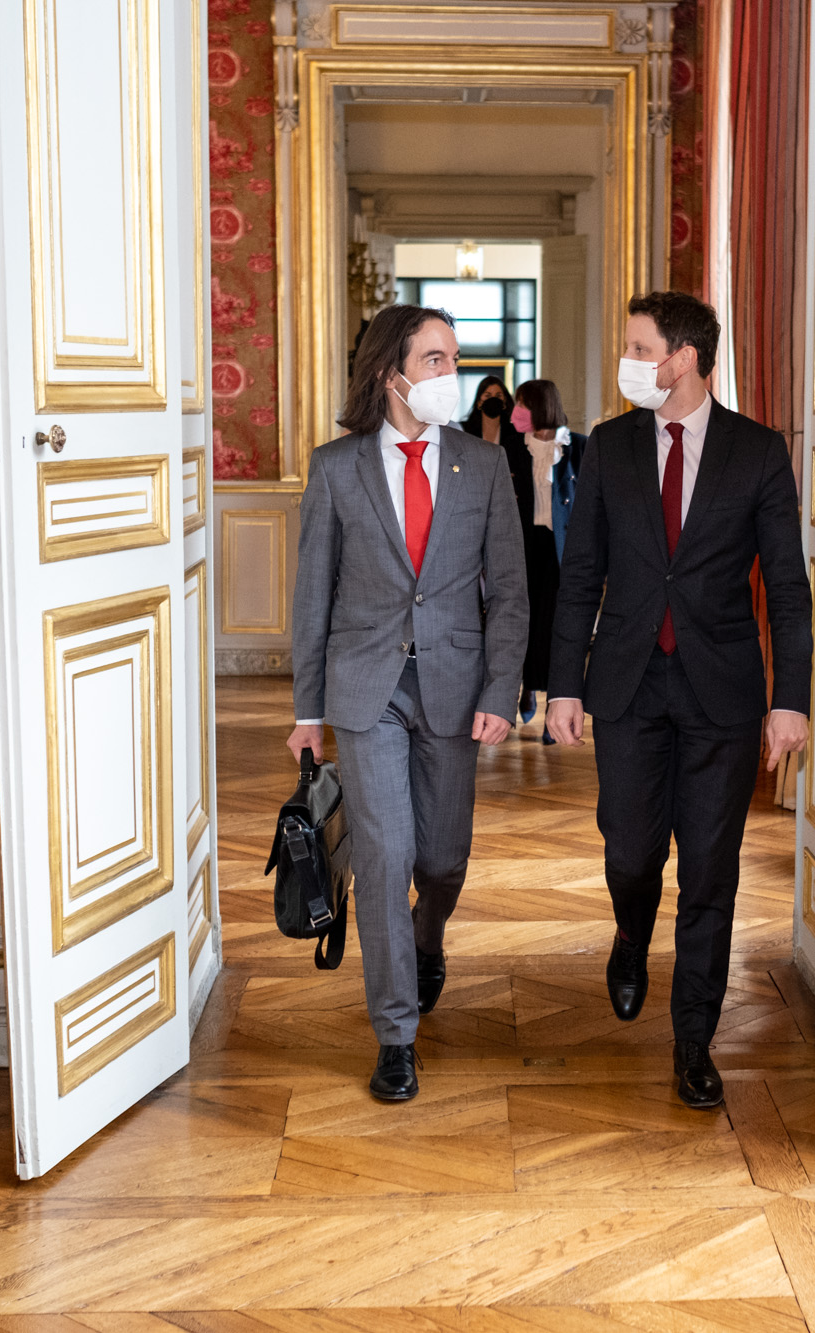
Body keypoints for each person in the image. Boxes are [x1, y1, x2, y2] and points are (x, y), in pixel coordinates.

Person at [546, 291, 811, 1109]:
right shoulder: (612, 448)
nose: (629, 360)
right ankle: (631, 931)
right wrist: (562, 683)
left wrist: (789, 699)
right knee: (630, 850)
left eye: (639, 346)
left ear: (685, 357)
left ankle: (693, 1037)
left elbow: (790, 590)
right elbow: (580, 571)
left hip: (721, 693)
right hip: (626, 682)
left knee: (709, 871)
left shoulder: (759, 453)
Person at [289, 304, 529, 1103]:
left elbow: (512, 595)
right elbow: (312, 596)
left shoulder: (483, 466)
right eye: (436, 360)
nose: (450, 374)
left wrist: (502, 690)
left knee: (443, 860)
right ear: (394, 374)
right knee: (387, 859)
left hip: (457, 691)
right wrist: (306, 708)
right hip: (367, 691)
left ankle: (429, 937)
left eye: (454, 359)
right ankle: (396, 1034)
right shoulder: (335, 468)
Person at [503, 379, 586, 734]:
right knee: (523, 621)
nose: (515, 412)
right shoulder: (509, 448)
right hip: (522, 547)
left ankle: (556, 700)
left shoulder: (579, 447)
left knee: (555, 625)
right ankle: (526, 688)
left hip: (561, 549)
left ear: (540, 406)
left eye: (521, 404)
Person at [461, 374, 518, 447]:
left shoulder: (515, 433)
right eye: (488, 396)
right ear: (479, 403)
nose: (493, 400)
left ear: (504, 403)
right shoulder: (464, 430)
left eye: (498, 396)